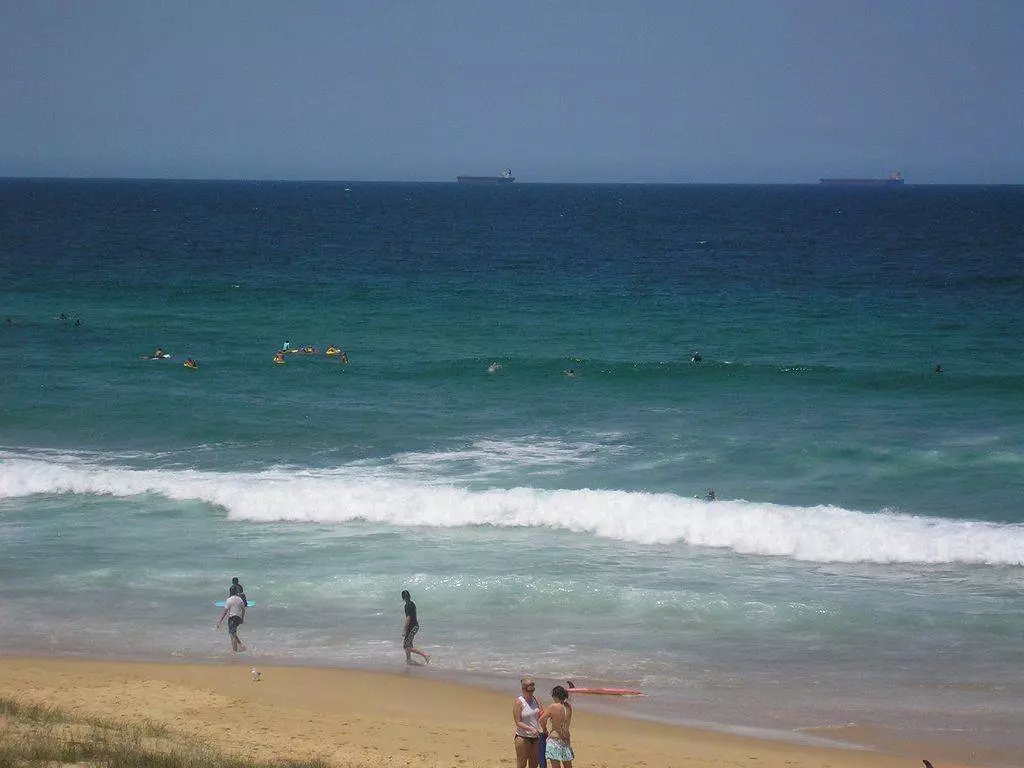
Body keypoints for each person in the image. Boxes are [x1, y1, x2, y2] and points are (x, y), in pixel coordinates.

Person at [540, 685, 574, 768]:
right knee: (568, 766)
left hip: (555, 739)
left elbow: (542, 719)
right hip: (566, 739)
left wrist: (544, 729)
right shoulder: (568, 707)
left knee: (555, 766)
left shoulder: (553, 706)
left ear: (555, 696)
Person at [513, 676, 544, 768]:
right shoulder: (519, 702)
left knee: (534, 764)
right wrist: (530, 729)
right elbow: (518, 722)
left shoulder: (536, 699)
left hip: (536, 737)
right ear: (523, 689)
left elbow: (541, 716)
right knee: (522, 764)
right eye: (529, 691)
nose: (531, 693)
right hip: (523, 737)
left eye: (532, 690)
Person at [401, 589, 430, 664]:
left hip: (412, 627)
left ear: (403, 598)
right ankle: (408, 660)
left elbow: (408, 618)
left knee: (407, 646)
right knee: (407, 644)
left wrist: (404, 629)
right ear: (409, 596)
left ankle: (425, 655)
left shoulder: (407, 605)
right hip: (414, 626)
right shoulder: (412, 603)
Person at [216, 585, 247, 653]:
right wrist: (242, 618)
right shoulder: (240, 599)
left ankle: (234, 651)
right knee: (233, 632)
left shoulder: (229, 600)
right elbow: (243, 609)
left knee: (232, 634)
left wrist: (220, 621)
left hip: (232, 618)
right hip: (238, 618)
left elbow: (225, 611)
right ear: (236, 592)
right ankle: (241, 646)